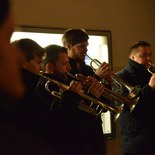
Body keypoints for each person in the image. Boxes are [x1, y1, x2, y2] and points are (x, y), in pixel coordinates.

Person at [37, 44, 106, 155]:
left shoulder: (67, 81)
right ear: (50, 67)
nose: (69, 68)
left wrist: (99, 89)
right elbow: (67, 123)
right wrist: (90, 97)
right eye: (64, 64)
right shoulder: (45, 88)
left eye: (68, 62)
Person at [62, 28, 113, 155]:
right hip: (77, 132)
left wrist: (107, 82)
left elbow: (103, 104)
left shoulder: (88, 70)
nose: (86, 49)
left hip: (95, 129)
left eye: (86, 45)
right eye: (81, 46)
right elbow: (77, 99)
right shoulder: (65, 70)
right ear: (68, 46)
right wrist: (97, 78)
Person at [116, 41, 155, 155]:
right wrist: (149, 88)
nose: (149, 59)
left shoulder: (150, 74)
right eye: (144, 55)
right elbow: (128, 105)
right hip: (136, 142)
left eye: (150, 54)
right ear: (132, 57)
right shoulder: (120, 76)